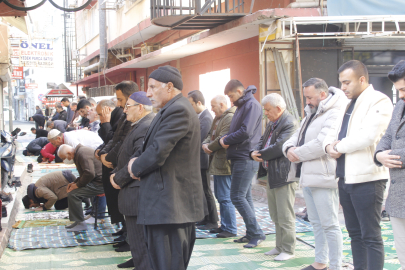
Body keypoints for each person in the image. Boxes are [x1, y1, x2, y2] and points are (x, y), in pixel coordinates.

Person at [127, 66, 204, 270]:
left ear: (169, 87)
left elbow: (158, 151)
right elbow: (149, 146)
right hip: (165, 207)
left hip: (171, 208)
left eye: (152, 87)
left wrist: (135, 167)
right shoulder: (169, 109)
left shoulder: (178, 110)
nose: (148, 93)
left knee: (168, 264)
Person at [324, 60, 393, 270]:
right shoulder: (347, 103)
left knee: (370, 236)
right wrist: (329, 147)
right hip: (345, 177)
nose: (343, 88)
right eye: (341, 83)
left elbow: (368, 136)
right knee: (354, 234)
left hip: (368, 179)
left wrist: (339, 147)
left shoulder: (379, 100)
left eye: (347, 82)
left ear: (362, 79)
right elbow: (331, 133)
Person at [284, 79, 347, 269]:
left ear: (322, 95)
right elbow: (295, 137)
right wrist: (288, 149)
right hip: (309, 176)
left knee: (329, 224)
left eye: (310, 97)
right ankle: (320, 262)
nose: (307, 101)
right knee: (316, 223)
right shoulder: (311, 114)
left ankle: (336, 265)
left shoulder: (335, 113)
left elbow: (322, 143)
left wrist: (297, 154)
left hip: (325, 177)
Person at [250, 93, 299, 260]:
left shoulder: (289, 123)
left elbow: (280, 147)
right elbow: (262, 140)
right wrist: (254, 152)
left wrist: (261, 154)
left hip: (284, 175)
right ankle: (279, 246)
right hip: (272, 174)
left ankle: (288, 249)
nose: (266, 113)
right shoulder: (272, 123)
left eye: (268, 110)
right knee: (275, 213)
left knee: (285, 214)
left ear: (278, 108)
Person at [110, 92, 154, 269]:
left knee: (141, 238)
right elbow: (125, 154)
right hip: (132, 189)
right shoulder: (138, 125)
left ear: (141, 107)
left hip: (137, 190)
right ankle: (138, 261)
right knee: (137, 239)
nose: (124, 110)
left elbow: (139, 159)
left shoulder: (146, 126)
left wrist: (118, 178)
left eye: (128, 106)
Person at [219, 80, 265, 248]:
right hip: (240, 156)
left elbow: (245, 131)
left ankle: (257, 233)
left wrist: (226, 140)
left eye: (231, 96)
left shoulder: (251, 105)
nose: (231, 100)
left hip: (245, 157)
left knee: (236, 196)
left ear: (239, 91)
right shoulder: (243, 105)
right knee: (245, 197)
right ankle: (251, 232)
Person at [96, 81, 139, 245]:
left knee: (128, 205)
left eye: (121, 100)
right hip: (114, 164)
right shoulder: (123, 115)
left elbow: (123, 143)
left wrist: (107, 156)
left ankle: (129, 237)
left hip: (125, 167)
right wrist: (102, 153)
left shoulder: (136, 120)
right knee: (118, 203)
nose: (119, 104)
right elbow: (114, 139)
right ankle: (125, 231)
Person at [374, 60, 405, 269]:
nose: (401, 95)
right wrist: (378, 155)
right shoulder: (400, 104)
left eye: (403, 89)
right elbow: (387, 137)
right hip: (398, 196)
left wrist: (390, 156)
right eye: (398, 90)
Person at [202, 95, 236, 238]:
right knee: (220, 196)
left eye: (213, 106)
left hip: (224, 163)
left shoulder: (229, 118)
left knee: (225, 197)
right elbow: (210, 134)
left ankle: (230, 228)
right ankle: (225, 225)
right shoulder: (218, 118)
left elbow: (222, 137)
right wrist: (205, 143)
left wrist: (208, 146)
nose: (211, 109)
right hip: (217, 161)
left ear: (222, 105)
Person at [187, 90, 218, 230]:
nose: (190, 108)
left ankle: (212, 220)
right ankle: (204, 217)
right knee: (200, 190)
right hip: (197, 160)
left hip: (203, 160)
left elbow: (199, 139)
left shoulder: (206, 118)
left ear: (199, 103)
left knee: (206, 190)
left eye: (191, 104)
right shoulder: (199, 116)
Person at [58, 144, 104, 232]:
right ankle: (77, 221)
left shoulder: (82, 153)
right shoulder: (79, 153)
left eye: (64, 158)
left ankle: (80, 223)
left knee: (73, 194)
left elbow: (89, 174)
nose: (64, 160)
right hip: (97, 181)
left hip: (101, 183)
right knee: (73, 191)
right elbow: (85, 174)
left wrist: (77, 185)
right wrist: (74, 183)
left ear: (69, 153)